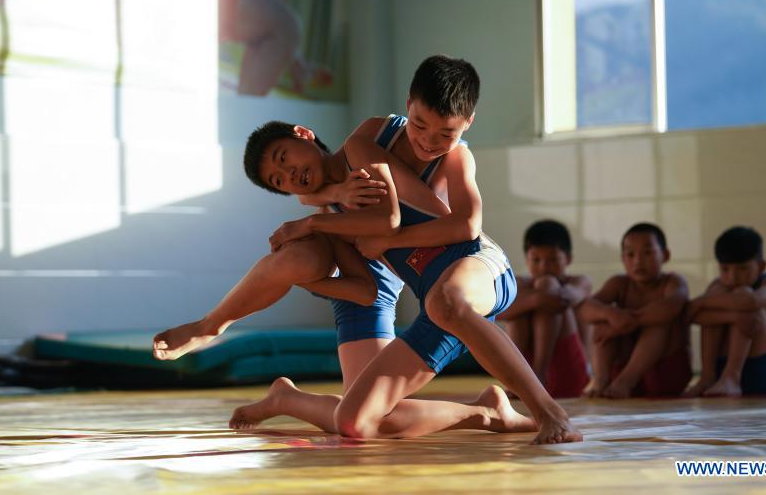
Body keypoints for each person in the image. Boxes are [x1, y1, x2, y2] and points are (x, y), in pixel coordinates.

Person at [239, 56, 581, 444]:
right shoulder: (370, 141)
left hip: (479, 268)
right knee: (356, 421)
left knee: (446, 300)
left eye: (445, 133)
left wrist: (387, 241)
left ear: (467, 124)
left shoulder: (456, 155)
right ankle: (490, 414)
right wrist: (325, 213)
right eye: (419, 125)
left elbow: (467, 226)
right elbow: (317, 186)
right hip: (436, 304)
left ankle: (551, 412)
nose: (428, 141)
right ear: (407, 107)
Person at [577, 223, 691, 398]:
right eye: (630, 254)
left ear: (665, 255)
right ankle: (600, 379)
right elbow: (586, 308)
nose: (638, 261)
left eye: (648, 253)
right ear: (623, 258)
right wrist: (609, 314)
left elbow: (672, 305)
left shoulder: (673, 282)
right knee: (602, 320)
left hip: (665, 374)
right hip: (618, 374)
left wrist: (628, 322)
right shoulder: (619, 284)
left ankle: (626, 381)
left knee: (659, 323)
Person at [684, 226, 766, 397]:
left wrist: (702, 301)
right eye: (725, 269)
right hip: (720, 369)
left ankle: (732, 376)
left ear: (761, 266)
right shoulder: (718, 286)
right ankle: (707, 377)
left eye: (742, 269)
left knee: (743, 296)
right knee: (723, 301)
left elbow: (753, 301)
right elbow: (692, 315)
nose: (733, 277)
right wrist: (733, 316)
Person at [497, 220, 591, 398]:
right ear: (527, 260)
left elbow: (562, 298)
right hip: (525, 380)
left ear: (568, 259)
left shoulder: (579, 282)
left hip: (569, 375)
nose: (544, 266)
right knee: (519, 298)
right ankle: (523, 376)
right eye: (536, 260)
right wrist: (535, 299)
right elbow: (496, 312)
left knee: (547, 285)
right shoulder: (520, 285)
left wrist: (538, 296)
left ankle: (538, 374)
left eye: (553, 259)